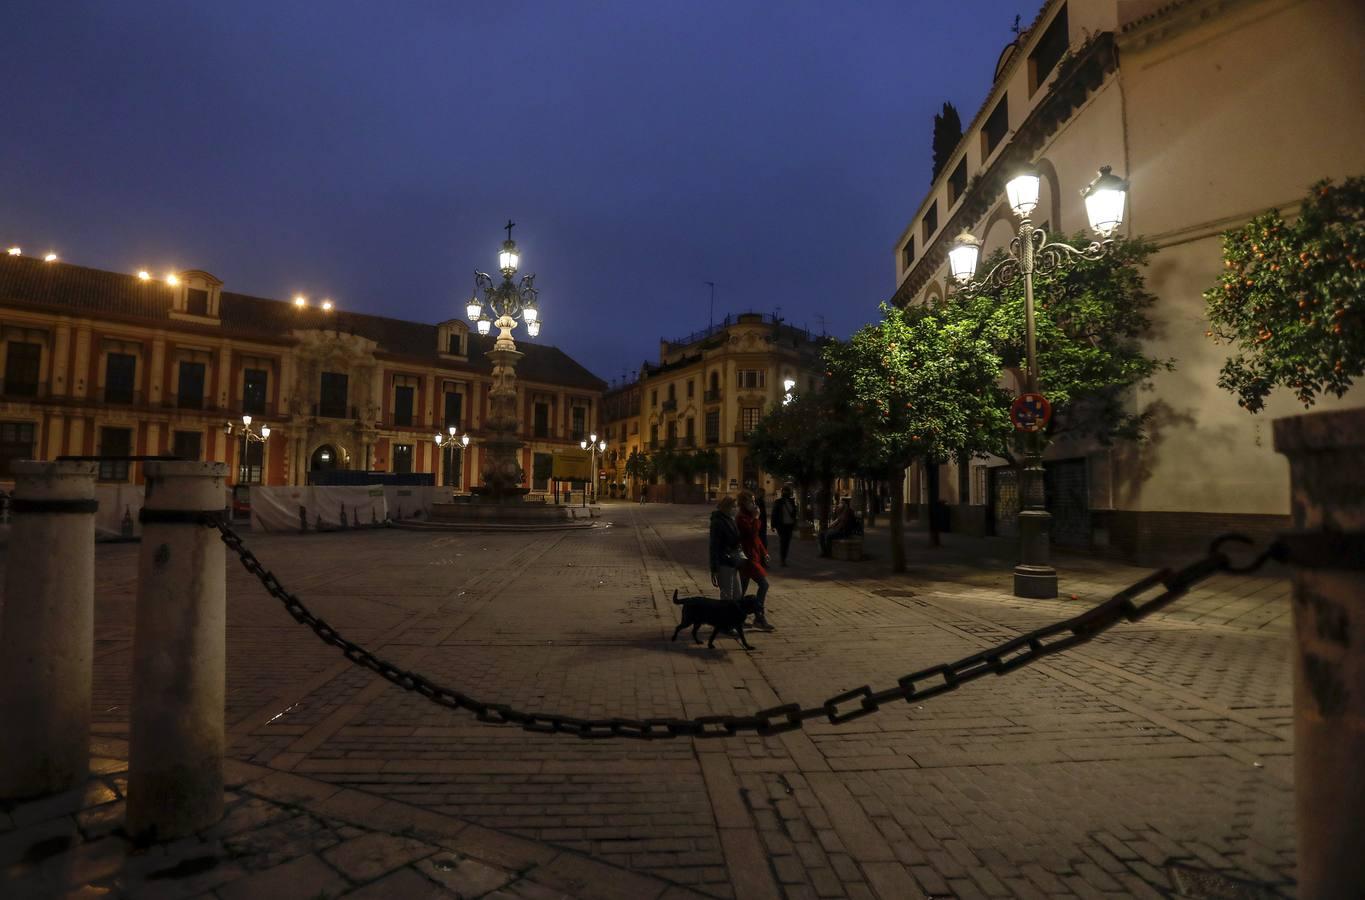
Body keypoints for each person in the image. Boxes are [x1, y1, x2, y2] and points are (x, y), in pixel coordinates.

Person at [735, 491, 772, 629]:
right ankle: (759, 616)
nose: (754, 504)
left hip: (753, 557)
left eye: (754, 501)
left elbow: (757, 539)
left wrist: (764, 553)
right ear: (743, 503)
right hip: (747, 559)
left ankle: (739, 617)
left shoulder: (750, 516)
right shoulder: (741, 518)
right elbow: (752, 535)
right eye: (751, 501)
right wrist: (756, 518)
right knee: (763, 585)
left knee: (741, 591)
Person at [709, 496, 744, 602]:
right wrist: (714, 569)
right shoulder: (718, 522)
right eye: (734, 506)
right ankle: (724, 617)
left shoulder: (731, 520)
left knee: (738, 594)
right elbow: (714, 546)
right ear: (726, 507)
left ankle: (733, 617)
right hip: (724, 563)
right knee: (727, 596)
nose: (736, 509)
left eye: (736, 506)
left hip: (733, 561)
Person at [771, 485, 798, 566]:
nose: (786, 493)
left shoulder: (792, 501)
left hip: (789, 525)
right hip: (781, 525)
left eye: (787, 491)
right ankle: (783, 560)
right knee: (783, 541)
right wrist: (773, 525)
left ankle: (784, 558)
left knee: (787, 542)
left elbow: (794, 513)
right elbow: (774, 514)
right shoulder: (778, 502)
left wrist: (795, 523)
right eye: (785, 491)